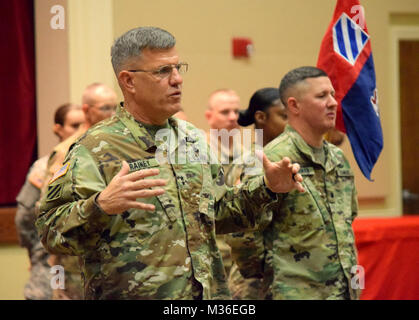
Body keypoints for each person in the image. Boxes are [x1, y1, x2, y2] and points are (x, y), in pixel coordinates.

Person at [36, 26, 304, 300]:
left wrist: (267, 187)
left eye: (178, 68)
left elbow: (220, 212)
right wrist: (100, 206)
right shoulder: (93, 147)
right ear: (128, 81)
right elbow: (49, 231)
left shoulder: (192, 139)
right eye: (162, 71)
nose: (177, 79)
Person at [234, 66, 360, 300]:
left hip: (343, 292)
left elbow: (347, 223)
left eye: (332, 94)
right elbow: (243, 233)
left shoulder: (338, 159)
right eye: (322, 96)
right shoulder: (272, 159)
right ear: (294, 105)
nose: (333, 102)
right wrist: (271, 278)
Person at [39, 82, 118, 300]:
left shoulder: (116, 145)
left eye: (115, 107)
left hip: (114, 260)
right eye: (105, 108)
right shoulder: (68, 150)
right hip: (76, 261)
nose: (112, 114)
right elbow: (48, 212)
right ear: (86, 110)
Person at [15, 103, 84, 300]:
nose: (79, 131)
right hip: (52, 263)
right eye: (74, 125)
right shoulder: (43, 167)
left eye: (83, 125)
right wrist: (38, 250)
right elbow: (24, 216)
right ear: (58, 129)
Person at [226, 87, 288, 300]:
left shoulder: (285, 160)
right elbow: (242, 230)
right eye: (283, 116)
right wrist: (260, 272)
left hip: (284, 277)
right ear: (261, 118)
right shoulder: (252, 163)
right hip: (257, 283)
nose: (290, 125)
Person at [204, 89, 243, 278]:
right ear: (209, 116)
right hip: (210, 253)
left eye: (236, 112)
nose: (233, 117)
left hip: (241, 257)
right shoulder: (197, 153)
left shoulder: (248, 155)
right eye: (225, 112)